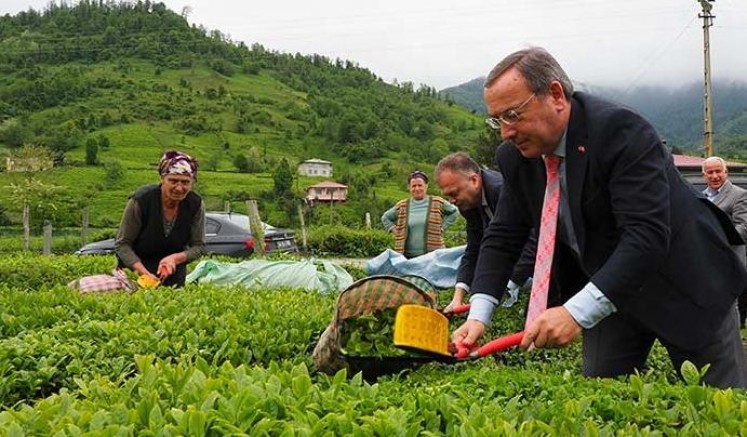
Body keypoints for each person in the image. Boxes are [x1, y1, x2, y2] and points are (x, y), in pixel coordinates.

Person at [452, 46, 747, 388]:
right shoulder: (516, 158)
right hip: (608, 287)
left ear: (556, 95)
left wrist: (574, 313)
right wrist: (479, 314)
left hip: (685, 280)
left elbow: (646, 235)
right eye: (497, 119)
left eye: (513, 115)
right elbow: (504, 236)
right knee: (601, 395)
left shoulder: (621, 131)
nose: (505, 132)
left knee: (720, 402)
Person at [435, 152, 537, 312]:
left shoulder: (501, 190)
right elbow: (474, 248)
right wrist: (458, 298)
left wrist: (513, 281)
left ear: (474, 180)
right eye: (448, 196)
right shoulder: (468, 204)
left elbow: (535, 235)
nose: (451, 201)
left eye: (454, 193)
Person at [115, 150, 206, 287]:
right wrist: (143, 273)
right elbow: (123, 244)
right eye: (173, 181)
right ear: (162, 179)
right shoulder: (142, 200)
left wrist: (174, 259)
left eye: (185, 182)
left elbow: (199, 246)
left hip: (173, 274)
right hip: (135, 270)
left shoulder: (195, 204)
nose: (179, 188)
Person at [702, 156, 747, 327]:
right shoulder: (701, 197)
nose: (714, 176)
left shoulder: (739, 195)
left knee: (729, 307)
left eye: (718, 171)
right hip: (707, 264)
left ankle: (733, 348)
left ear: (726, 172)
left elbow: (744, 228)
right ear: (704, 176)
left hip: (729, 263)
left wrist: (717, 241)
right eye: (710, 172)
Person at [381, 170, 459, 258]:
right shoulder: (402, 205)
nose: (417, 189)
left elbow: (454, 212)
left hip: (434, 257)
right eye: (413, 186)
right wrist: (395, 230)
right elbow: (385, 217)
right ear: (409, 187)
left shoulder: (437, 202)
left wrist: (443, 227)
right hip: (407, 258)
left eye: (420, 185)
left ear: (426, 186)